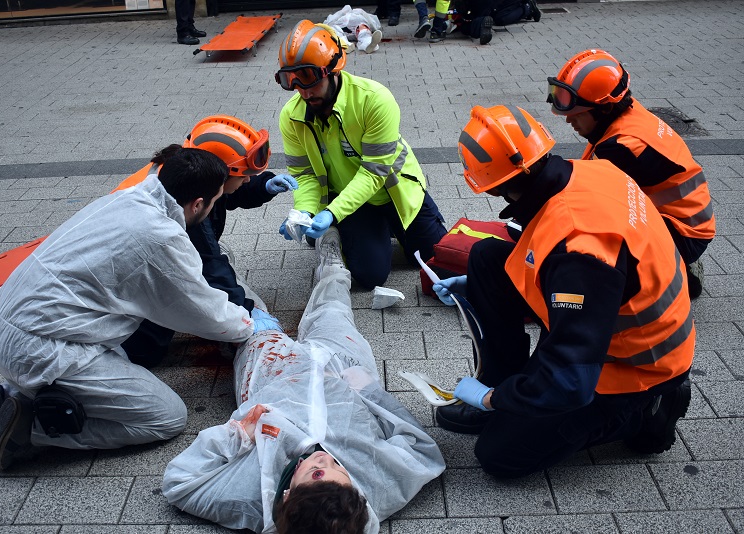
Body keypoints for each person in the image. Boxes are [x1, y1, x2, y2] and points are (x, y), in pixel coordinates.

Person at [0, 148, 281, 471]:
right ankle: (29, 428)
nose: (216, 205)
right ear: (198, 204)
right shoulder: (160, 239)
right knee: (166, 416)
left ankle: (7, 397)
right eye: (215, 201)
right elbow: (203, 310)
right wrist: (248, 323)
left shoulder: (136, 196)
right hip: (36, 345)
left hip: (6, 319)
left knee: (121, 358)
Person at [432, 104, 694, 478]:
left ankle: (645, 413)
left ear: (495, 185)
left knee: (500, 455)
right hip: (608, 318)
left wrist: (494, 399)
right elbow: (548, 248)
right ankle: (505, 379)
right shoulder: (591, 170)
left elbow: (571, 380)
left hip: (633, 364)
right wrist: (476, 287)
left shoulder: (580, 252)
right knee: (487, 258)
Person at [162, 227, 445, 533]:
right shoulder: (378, 495)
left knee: (244, 313)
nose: (326, 459)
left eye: (316, 473)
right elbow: (423, 450)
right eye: (342, 470)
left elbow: (179, 484)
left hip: (272, 373)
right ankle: (332, 258)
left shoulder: (247, 498)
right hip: (342, 370)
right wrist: (369, 391)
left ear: (286, 496)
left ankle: (215, 258)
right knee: (334, 306)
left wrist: (237, 435)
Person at [275, 20, 447, 290]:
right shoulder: (291, 116)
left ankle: (388, 226)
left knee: (436, 259)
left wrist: (331, 213)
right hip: (352, 200)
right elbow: (304, 175)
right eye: (292, 81)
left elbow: (374, 172)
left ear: (334, 69)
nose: (304, 92)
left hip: (397, 191)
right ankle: (357, 231)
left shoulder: (375, 99)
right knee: (370, 276)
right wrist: (305, 211)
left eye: (309, 78)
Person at [117, 116, 298, 367]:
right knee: (147, 349)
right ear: (219, 176)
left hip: (141, 257)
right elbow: (208, 261)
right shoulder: (179, 202)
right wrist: (246, 311)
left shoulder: (190, 173)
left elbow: (230, 192)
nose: (247, 179)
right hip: (130, 277)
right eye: (244, 175)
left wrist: (263, 186)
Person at [547, 49, 715, 299]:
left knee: (586, 244)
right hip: (686, 222)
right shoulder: (627, 113)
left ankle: (675, 271)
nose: (568, 119)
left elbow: (587, 201)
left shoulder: (623, 146)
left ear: (603, 109)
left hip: (683, 233)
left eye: (577, 113)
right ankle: (675, 261)